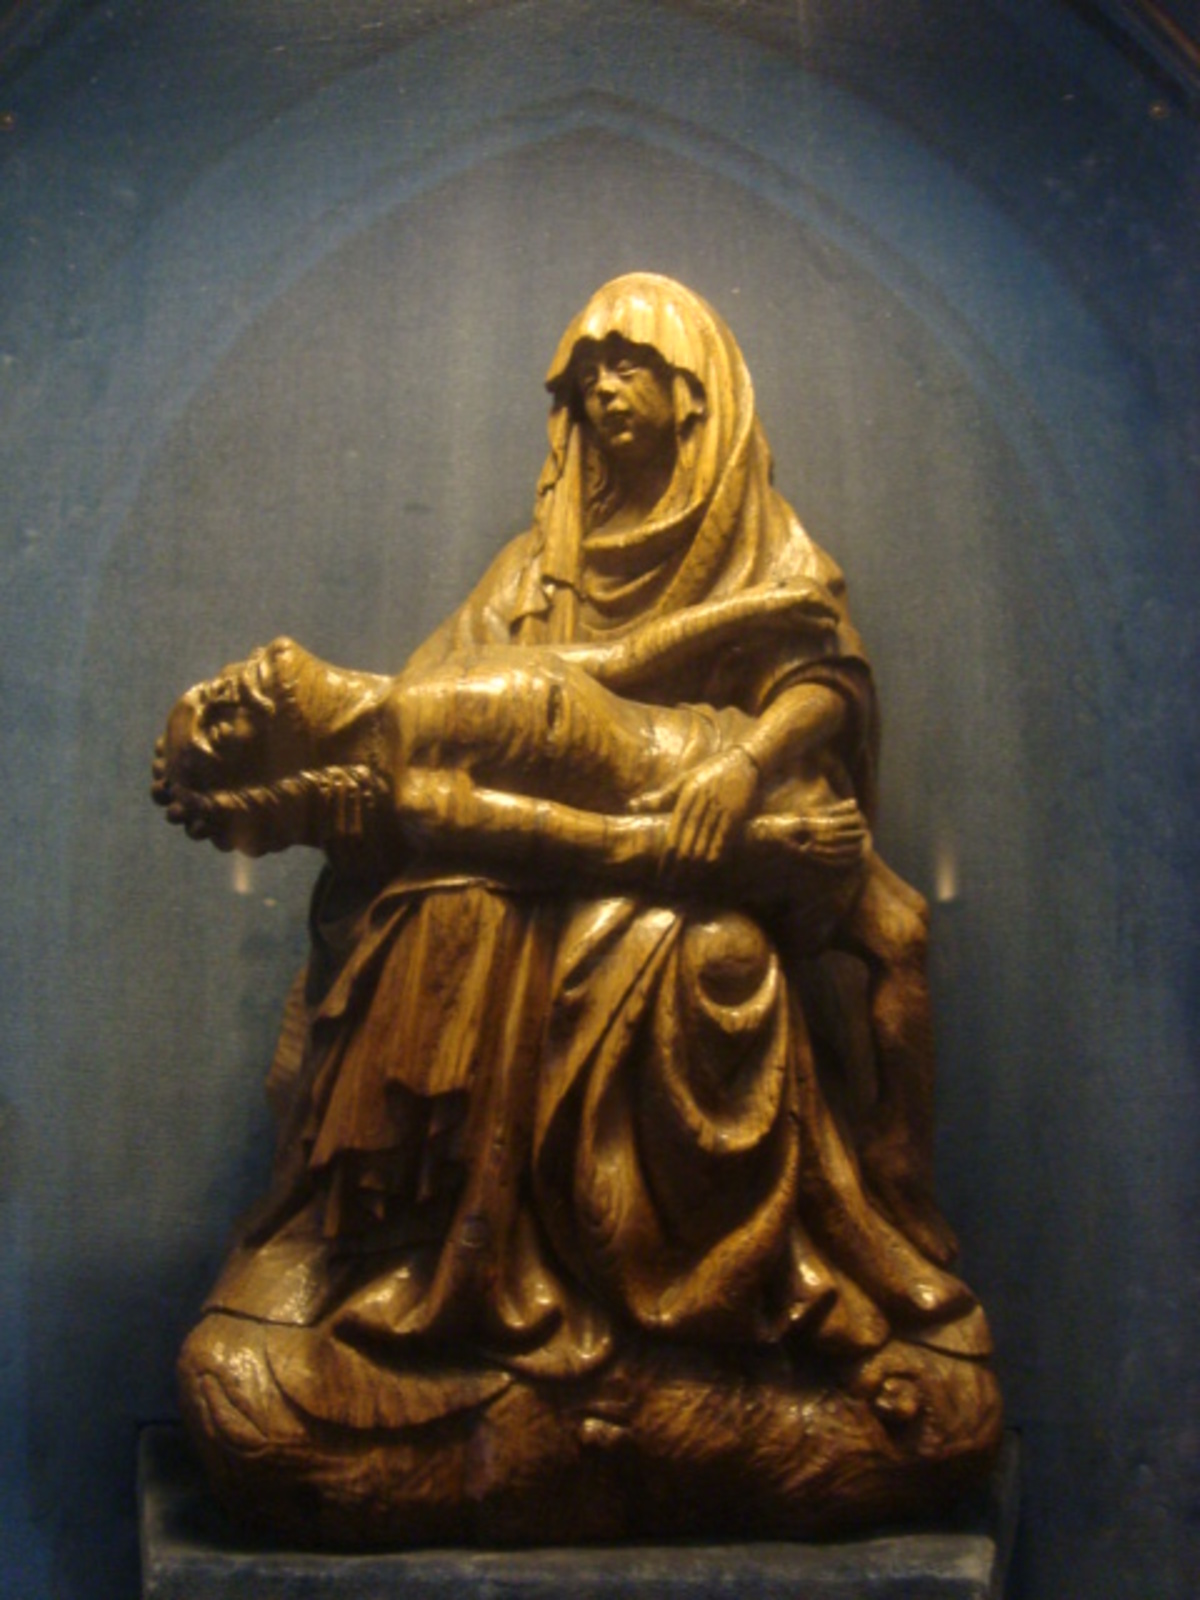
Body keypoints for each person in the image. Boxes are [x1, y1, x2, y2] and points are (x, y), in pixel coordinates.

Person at [166, 275, 1000, 1544]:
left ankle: (726, 1309)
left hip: (715, 811)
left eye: (630, 367)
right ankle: (464, 1274)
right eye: (587, 376)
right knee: (460, 917)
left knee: (720, 961)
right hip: (609, 860)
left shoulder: (765, 543)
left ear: (694, 397)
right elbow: (460, 757)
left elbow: (822, 682)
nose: (604, 391)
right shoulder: (526, 576)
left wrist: (742, 770)